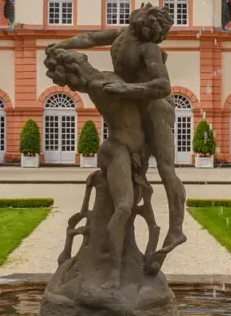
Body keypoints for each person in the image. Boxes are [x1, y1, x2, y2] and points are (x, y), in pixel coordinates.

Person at [47, 4, 186, 258]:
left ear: (145, 23)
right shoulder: (122, 34)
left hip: (156, 109)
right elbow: (89, 38)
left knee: (166, 168)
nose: (139, 9)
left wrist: (124, 90)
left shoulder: (148, 48)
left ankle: (176, 229)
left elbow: (163, 85)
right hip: (135, 106)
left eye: (144, 12)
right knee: (135, 170)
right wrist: (61, 45)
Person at [44, 44, 156, 279]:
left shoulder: (107, 77)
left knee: (128, 205)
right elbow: (150, 90)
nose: (74, 86)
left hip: (134, 152)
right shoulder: (100, 86)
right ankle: (113, 269)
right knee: (125, 206)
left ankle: (120, 257)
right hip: (116, 150)